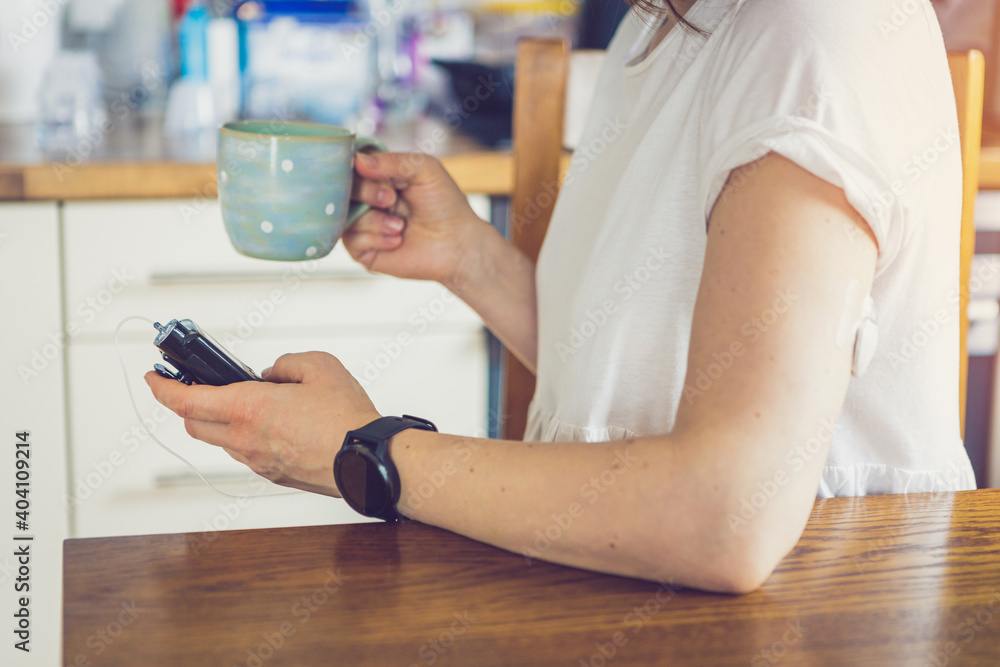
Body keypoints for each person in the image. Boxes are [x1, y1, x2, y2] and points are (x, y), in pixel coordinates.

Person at [147, 0, 977, 593]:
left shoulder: (813, 35)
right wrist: (472, 258)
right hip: (621, 590)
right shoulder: (655, 27)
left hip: (822, 608)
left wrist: (369, 454)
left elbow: (726, 516)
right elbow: (636, 380)